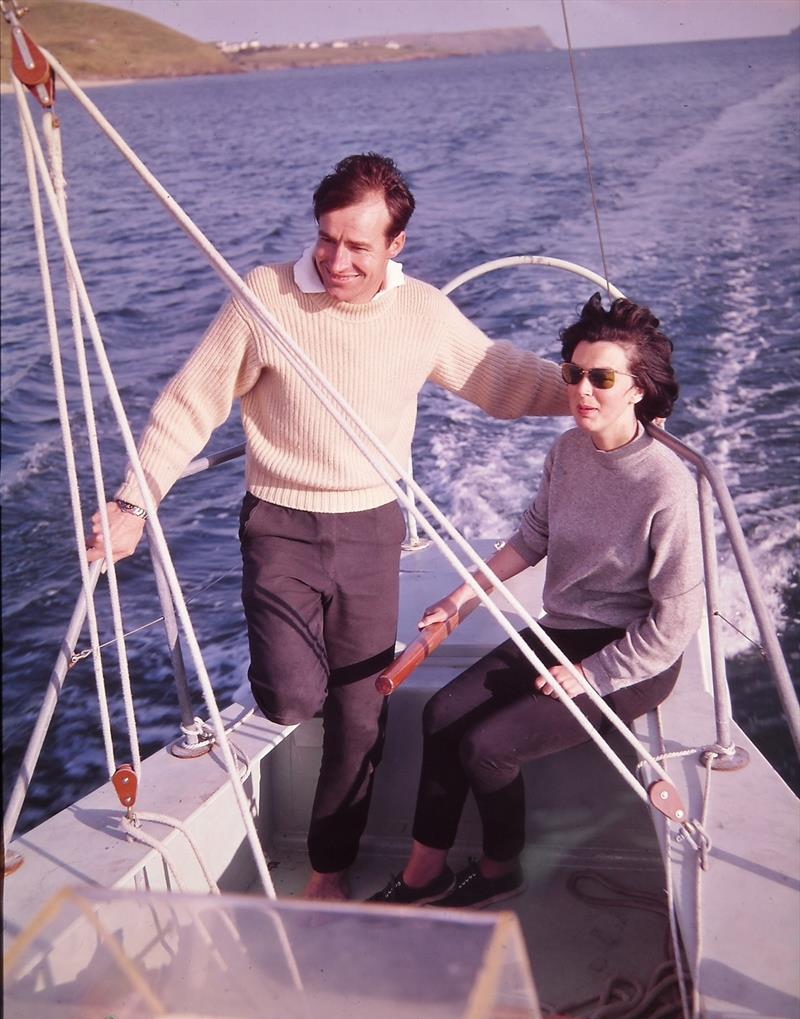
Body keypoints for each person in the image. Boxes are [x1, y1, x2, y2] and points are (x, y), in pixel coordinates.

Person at [85, 153, 570, 901]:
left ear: (396, 247)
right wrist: (133, 502)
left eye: (358, 246)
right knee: (290, 698)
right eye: (326, 239)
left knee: (361, 713)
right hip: (279, 523)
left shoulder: (423, 314)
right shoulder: (266, 295)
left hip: (371, 528)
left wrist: (599, 392)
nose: (336, 260)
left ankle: (328, 869)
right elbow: (191, 402)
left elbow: (502, 379)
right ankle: (313, 800)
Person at [368, 292, 704, 909]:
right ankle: (424, 875)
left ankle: (500, 870)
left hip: (631, 657)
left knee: (487, 747)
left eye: (601, 377)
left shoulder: (668, 485)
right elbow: (531, 539)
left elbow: (673, 623)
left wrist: (590, 675)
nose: (582, 390)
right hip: (565, 630)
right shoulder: (568, 452)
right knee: (439, 716)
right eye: (573, 374)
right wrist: (459, 601)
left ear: (638, 388)